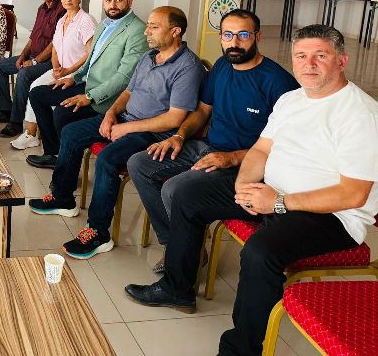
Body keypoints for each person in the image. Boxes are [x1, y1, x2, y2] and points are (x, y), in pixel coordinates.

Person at [125, 24, 378, 356]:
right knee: (187, 195)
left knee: (260, 252)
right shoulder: (292, 100)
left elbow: (353, 194)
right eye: (301, 56)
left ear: (342, 61)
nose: (309, 64)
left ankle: (240, 349)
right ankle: (177, 287)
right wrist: (244, 185)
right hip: (273, 192)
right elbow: (260, 150)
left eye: (320, 55)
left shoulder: (360, 114)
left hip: (330, 215)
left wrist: (279, 202)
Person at [127, 9, 298, 274]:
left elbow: (287, 145)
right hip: (208, 147)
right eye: (227, 35)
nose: (234, 42)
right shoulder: (221, 66)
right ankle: (178, 245)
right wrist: (179, 136)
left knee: (174, 188)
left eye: (243, 35)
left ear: (257, 37)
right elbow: (202, 111)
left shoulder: (279, 83)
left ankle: (183, 257)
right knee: (139, 164)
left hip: (246, 163)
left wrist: (232, 158)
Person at [29, 7, 205, 260]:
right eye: (148, 25)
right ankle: (63, 197)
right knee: (71, 132)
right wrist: (111, 114)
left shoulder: (188, 67)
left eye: (154, 27)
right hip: (125, 119)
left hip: (153, 133)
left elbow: (174, 118)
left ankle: (98, 232)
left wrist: (126, 127)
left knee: (107, 159)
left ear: (175, 31)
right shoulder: (149, 57)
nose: (146, 31)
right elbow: (128, 92)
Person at [25, 0, 148, 169]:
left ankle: (64, 162)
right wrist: (73, 78)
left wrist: (89, 96)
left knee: (62, 113)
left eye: (119, 0)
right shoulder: (104, 24)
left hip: (107, 97)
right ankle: (53, 152)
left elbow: (124, 77)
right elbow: (90, 60)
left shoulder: (137, 30)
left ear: (130, 2)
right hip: (86, 83)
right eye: (108, 0)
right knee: (37, 94)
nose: (112, 5)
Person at [10, 0, 96, 150]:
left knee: (41, 93)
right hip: (60, 70)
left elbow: (90, 53)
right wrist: (56, 68)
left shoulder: (86, 20)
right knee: (34, 87)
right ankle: (31, 134)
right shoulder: (62, 19)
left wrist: (69, 70)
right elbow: (55, 47)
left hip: (77, 74)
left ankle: (44, 136)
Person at [0, 0, 65, 138]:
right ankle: (5, 110)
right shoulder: (41, 9)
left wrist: (35, 61)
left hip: (49, 61)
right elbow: (33, 37)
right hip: (33, 56)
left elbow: (55, 43)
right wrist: (22, 55)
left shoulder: (62, 10)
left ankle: (16, 122)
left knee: (24, 73)